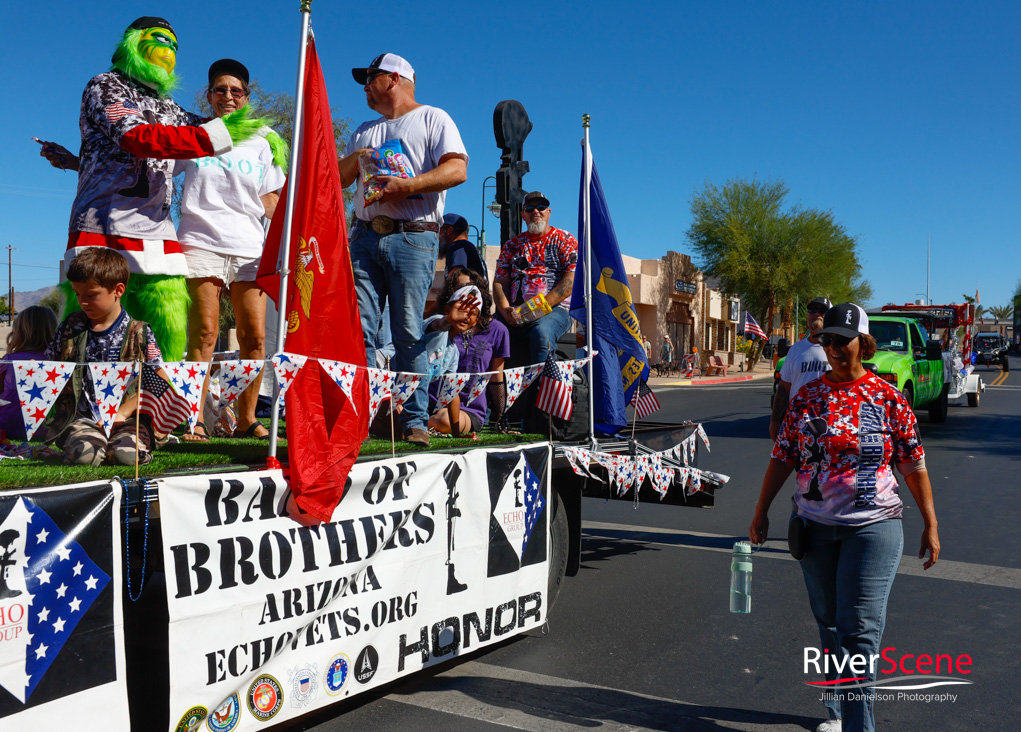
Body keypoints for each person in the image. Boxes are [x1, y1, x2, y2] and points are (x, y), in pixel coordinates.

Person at [749, 303, 940, 732]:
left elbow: (913, 464)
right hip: (815, 528)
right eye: (827, 341)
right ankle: (838, 713)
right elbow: (783, 458)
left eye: (842, 340)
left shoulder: (889, 398)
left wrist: (930, 522)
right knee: (831, 625)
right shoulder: (807, 398)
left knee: (859, 632)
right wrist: (761, 511)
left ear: (864, 343)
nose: (832, 349)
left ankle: (859, 726)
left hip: (874, 528)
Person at [35, 17, 267, 361]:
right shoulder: (105, 85)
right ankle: (82, 409)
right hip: (102, 228)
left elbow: (214, 128)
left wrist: (263, 134)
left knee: (167, 334)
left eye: (174, 44)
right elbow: (136, 138)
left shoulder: (168, 105)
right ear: (134, 42)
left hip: (158, 234)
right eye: (160, 39)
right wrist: (219, 135)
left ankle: (160, 411)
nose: (168, 49)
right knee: (89, 331)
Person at [338, 53, 468, 448]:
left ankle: (415, 421)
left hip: (414, 236)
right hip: (364, 235)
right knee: (357, 330)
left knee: (408, 332)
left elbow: (458, 170)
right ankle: (357, 417)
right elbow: (341, 179)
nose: (364, 85)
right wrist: (358, 157)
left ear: (394, 79)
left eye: (370, 77)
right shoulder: (363, 130)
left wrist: (407, 187)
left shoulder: (433, 118)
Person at [177, 59, 287, 442]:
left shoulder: (265, 139)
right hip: (200, 240)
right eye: (220, 89)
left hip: (249, 247)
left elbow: (272, 198)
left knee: (254, 337)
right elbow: (152, 169)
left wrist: (294, 237)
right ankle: (196, 419)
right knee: (204, 334)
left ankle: (247, 418)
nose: (228, 96)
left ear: (246, 97)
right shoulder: (192, 133)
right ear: (208, 95)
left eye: (235, 90)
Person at [39, 249, 172, 466]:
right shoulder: (69, 329)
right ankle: (96, 446)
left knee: (126, 456)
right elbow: (48, 369)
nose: (82, 301)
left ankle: (128, 446)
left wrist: (122, 412)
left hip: (128, 421)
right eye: (77, 294)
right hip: (82, 420)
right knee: (85, 456)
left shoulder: (140, 333)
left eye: (90, 295)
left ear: (118, 290)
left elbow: (161, 379)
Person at [493, 191, 578, 367]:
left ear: (549, 212)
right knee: (488, 331)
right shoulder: (512, 245)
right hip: (515, 311)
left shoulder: (564, 239)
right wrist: (505, 310)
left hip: (554, 310)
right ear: (523, 214)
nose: (536, 212)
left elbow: (570, 281)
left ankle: (539, 390)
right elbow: (500, 282)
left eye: (541, 207)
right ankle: (495, 391)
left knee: (542, 334)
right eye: (530, 208)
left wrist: (535, 310)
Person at [428, 270, 510, 435]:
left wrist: (500, 418)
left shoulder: (497, 330)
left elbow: (496, 377)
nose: (467, 294)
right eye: (461, 288)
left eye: (472, 287)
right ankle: (421, 423)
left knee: (444, 419)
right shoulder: (440, 323)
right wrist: (448, 320)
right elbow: (435, 324)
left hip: (469, 410)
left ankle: (422, 425)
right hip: (427, 403)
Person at [770, 297, 832, 440]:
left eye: (822, 311)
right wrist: (774, 422)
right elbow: (784, 388)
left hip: (828, 423)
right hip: (797, 423)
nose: (816, 314)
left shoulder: (836, 349)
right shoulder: (796, 349)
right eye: (812, 310)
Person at [1, 306, 58, 440]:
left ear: (18, 332)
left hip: (7, 422)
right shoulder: (58, 361)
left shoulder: (9, 360)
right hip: (46, 427)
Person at [441, 214, 487, 279]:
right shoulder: (468, 247)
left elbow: (458, 277)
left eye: (439, 229)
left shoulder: (457, 246)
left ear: (449, 231)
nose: (437, 234)